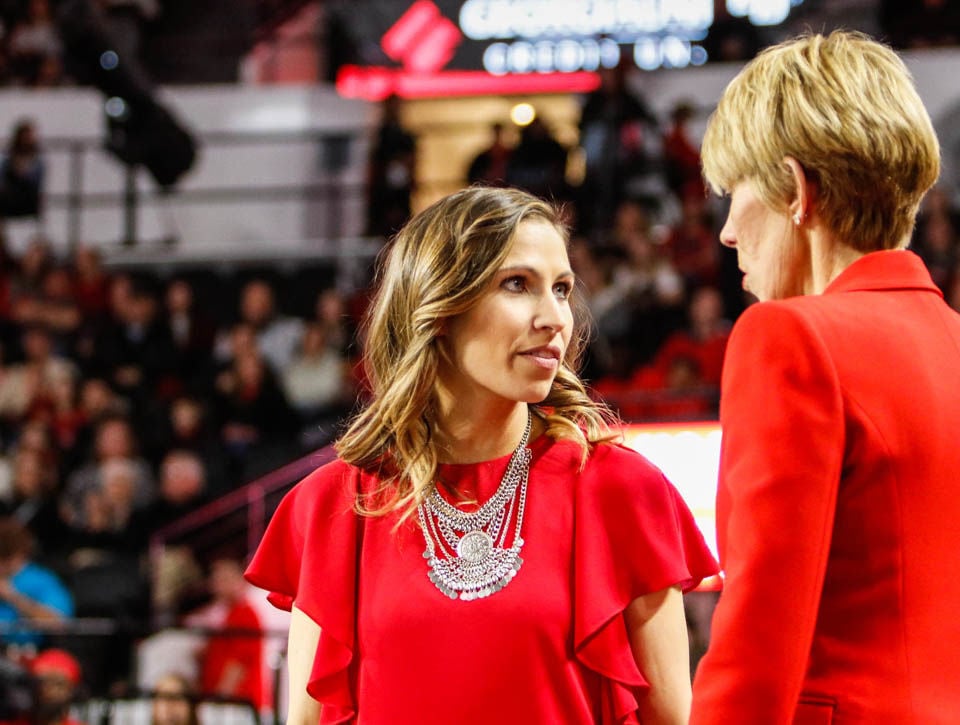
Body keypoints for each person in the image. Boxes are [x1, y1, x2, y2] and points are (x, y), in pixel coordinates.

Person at [244, 186, 718, 724]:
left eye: (561, 289)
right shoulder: (336, 505)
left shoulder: (620, 490)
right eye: (517, 285)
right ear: (439, 307)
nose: (554, 318)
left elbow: (670, 719)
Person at [689, 32, 960, 723]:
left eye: (736, 192)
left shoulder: (789, 339)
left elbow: (758, 645)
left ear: (798, 192)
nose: (725, 231)